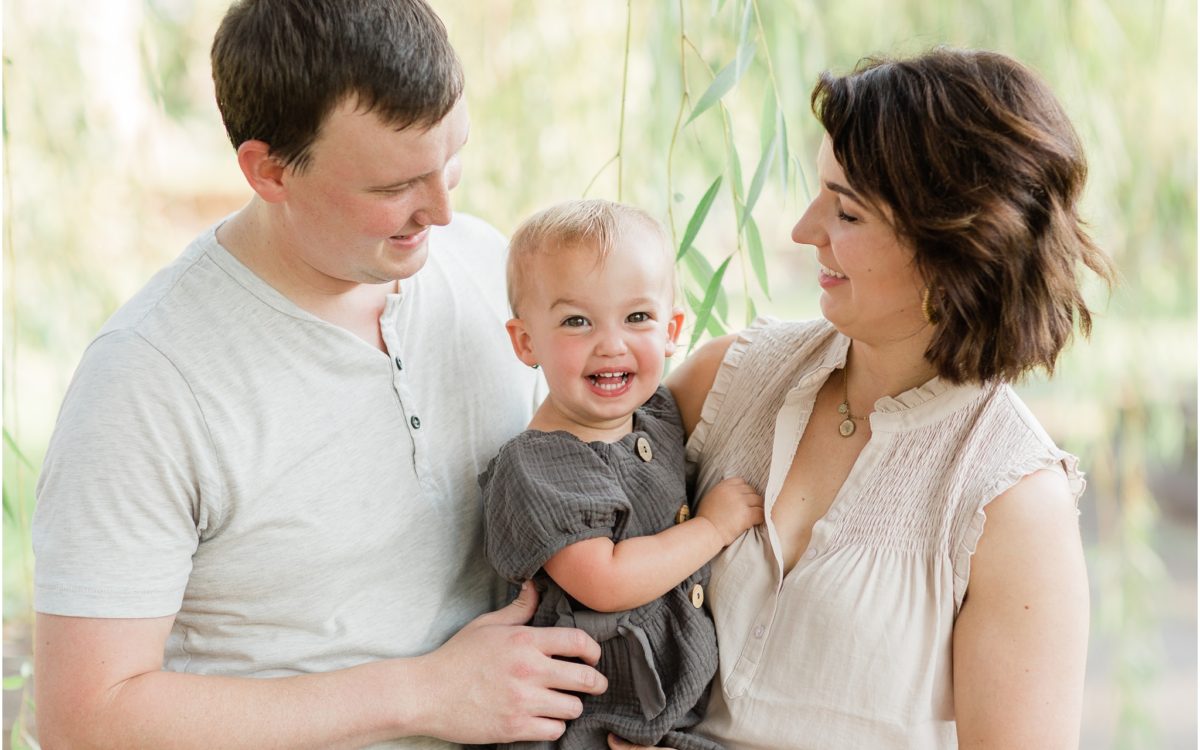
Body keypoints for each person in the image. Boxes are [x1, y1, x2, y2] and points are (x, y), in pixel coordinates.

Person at [31, 2, 609, 748]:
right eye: (392, 187)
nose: (440, 210)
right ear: (268, 171)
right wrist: (420, 693)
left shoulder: (484, 268)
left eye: (452, 159)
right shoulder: (148, 383)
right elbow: (84, 720)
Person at [609, 47, 1114, 750]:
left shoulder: (1013, 504)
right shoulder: (724, 381)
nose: (802, 230)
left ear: (953, 244)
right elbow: (569, 519)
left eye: (845, 212)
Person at [480, 200, 764, 750]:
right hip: (576, 725)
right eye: (576, 321)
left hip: (658, 717)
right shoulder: (538, 467)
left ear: (671, 330)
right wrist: (713, 529)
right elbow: (606, 581)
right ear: (526, 342)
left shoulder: (656, 415)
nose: (611, 343)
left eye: (637, 318)